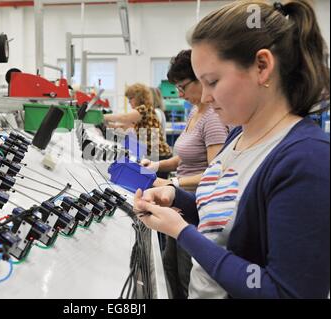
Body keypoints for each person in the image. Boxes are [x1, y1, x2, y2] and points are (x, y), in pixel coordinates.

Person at [134, 0, 330, 298]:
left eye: (212, 81)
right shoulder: (238, 135)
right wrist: (178, 199)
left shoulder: (307, 158)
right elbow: (227, 224)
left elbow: (287, 292)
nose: (206, 97)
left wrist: (183, 233)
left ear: (262, 67)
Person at [143, 50, 229, 299]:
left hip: (194, 208)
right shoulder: (195, 112)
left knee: (185, 274)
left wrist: (175, 183)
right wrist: (157, 166)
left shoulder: (212, 118)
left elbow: (216, 173)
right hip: (177, 201)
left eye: (182, 87)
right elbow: (183, 156)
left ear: (200, 79)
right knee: (168, 265)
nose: (179, 95)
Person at [104, 83, 172, 165]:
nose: (129, 102)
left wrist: (103, 117)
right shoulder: (141, 113)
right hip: (153, 155)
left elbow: (125, 118)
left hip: (159, 156)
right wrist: (107, 125)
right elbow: (124, 126)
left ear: (139, 97)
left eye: (131, 98)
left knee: (151, 177)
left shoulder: (144, 109)